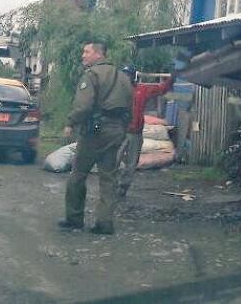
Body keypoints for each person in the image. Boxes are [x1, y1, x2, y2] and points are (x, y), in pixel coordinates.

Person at [57, 42, 133, 235]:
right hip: (116, 131)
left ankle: (74, 219)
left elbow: (83, 106)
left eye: (86, 52)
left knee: (78, 174)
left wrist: (70, 123)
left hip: (94, 132)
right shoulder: (123, 77)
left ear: (98, 55)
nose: (83, 55)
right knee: (108, 177)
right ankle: (105, 223)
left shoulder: (91, 75)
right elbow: (129, 106)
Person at [117, 66, 174, 197]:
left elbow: (162, 89)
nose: (126, 78)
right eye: (124, 75)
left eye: (128, 75)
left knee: (131, 164)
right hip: (119, 132)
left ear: (133, 77)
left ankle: (122, 189)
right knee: (113, 161)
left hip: (135, 132)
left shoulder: (141, 89)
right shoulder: (116, 91)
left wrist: (173, 77)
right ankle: (109, 188)